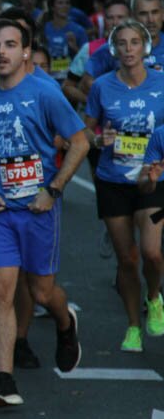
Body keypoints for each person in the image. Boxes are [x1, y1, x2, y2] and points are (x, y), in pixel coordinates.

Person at [0, 19, 85, 406]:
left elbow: (81, 142)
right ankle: (4, 380)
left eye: (10, 45)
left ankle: (66, 325)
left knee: (41, 292)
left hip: (38, 209)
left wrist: (53, 189)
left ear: (26, 52)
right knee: (0, 290)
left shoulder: (45, 92)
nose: (1, 52)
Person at [87, 21, 164, 352]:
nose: (128, 49)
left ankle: (154, 296)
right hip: (113, 181)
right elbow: (87, 131)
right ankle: (133, 325)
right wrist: (97, 138)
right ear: (113, 49)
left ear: (145, 48)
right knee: (127, 259)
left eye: (134, 42)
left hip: (153, 180)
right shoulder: (102, 87)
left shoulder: (161, 82)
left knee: (151, 252)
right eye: (122, 43)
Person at [42, 0, 88, 80]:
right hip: (48, 79)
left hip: (70, 81)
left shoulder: (79, 30)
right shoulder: (44, 28)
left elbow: (87, 61)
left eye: (67, 3)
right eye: (60, 3)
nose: (65, 6)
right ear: (52, 7)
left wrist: (74, 47)